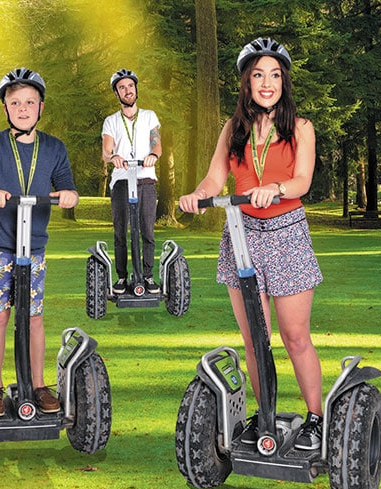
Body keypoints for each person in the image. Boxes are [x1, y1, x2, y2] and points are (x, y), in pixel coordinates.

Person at [178, 38, 324, 450]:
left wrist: (274, 187)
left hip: (286, 234)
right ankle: (267, 415)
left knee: (295, 336)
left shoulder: (300, 127)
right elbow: (214, 178)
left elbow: (303, 181)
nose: (267, 83)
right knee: (256, 340)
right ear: (246, 81)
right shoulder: (234, 127)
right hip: (241, 236)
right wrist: (197, 196)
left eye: (275, 75)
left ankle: (315, 418)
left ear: (284, 82)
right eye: (259, 74)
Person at [0, 67, 79, 417]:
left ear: (40, 107)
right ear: (6, 108)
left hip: (35, 247)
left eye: (30, 102)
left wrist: (69, 195)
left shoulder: (54, 148)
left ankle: (39, 385)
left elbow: (67, 186)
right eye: (16, 102)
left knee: (34, 317)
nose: (23, 108)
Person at [102, 68, 162, 295]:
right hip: (121, 180)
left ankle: (147, 275)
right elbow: (106, 151)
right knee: (120, 231)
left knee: (147, 230)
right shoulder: (111, 121)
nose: (127, 90)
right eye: (122, 88)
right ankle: (121, 276)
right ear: (117, 94)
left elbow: (156, 143)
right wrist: (114, 157)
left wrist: (153, 156)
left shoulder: (149, 116)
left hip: (145, 178)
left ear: (136, 89)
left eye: (130, 86)